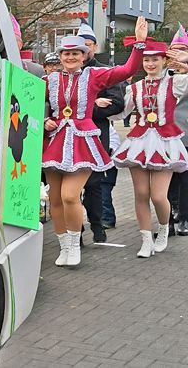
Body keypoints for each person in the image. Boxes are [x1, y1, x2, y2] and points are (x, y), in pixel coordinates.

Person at [43, 16, 147, 267]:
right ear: (60, 56)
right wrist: (45, 118)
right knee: (55, 198)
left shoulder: (93, 77)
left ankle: (76, 242)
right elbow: (27, 101)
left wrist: (139, 44)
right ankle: (65, 247)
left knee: (70, 196)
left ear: (83, 55)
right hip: (56, 141)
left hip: (83, 142)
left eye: (75, 53)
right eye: (65, 54)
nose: (70, 58)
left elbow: (127, 71)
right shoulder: (49, 81)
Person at [113, 40, 188, 257]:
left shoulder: (176, 83)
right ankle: (146, 240)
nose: (150, 63)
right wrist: (99, 104)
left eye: (155, 59)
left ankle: (164, 229)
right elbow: (120, 114)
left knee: (158, 196)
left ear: (164, 61)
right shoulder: (133, 88)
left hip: (166, 142)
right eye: (146, 59)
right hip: (139, 142)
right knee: (141, 193)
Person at [74, 23, 124, 244]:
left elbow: (117, 104)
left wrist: (85, 109)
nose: (83, 51)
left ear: (94, 47)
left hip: (96, 137)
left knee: (93, 185)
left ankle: (97, 225)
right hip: (71, 139)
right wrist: (93, 104)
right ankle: (77, 232)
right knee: (72, 188)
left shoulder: (105, 72)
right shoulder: (66, 73)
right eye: (78, 47)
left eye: (87, 46)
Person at [167, 25, 188, 235]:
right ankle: (169, 219)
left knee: (185, 179)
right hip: (166, 136)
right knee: (166, 180)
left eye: (182, 49)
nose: (178, 54)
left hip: (187, 135)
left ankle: (184, 217)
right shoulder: (164, 75)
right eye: (174, 49)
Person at [100, 124, 120, 229]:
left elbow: (114, 142)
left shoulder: (107, 127)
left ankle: (108, 218)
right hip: (95, 165)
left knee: (104, 193)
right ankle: (97, 216)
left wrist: (108, 150)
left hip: (107, 166)